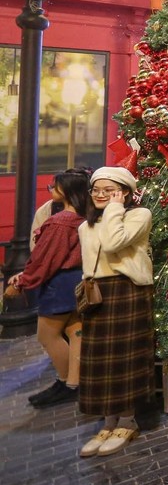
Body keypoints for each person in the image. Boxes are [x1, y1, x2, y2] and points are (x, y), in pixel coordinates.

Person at [74, 167, 155, 457]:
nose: (100, 195)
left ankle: (127, 420)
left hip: (127, 291)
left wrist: (115, 207)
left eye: (109, 190)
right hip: (98, 294)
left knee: (124, 360)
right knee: (100, 363)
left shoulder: (138, 215)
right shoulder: (86, 226)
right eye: (96, 190)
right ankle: (107, 422)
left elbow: (113, 242)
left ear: (125, 193)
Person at [4, 169, 90, 408]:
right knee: (75, 333)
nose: (52, 188)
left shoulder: (60, 222)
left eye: (56, 185)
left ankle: (65, 382)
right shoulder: (84, 218)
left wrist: (21, 283)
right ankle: (74, 382)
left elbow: (44, 259)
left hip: (59, 284)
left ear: (68, 191)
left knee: (47, 335)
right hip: (76, 280)